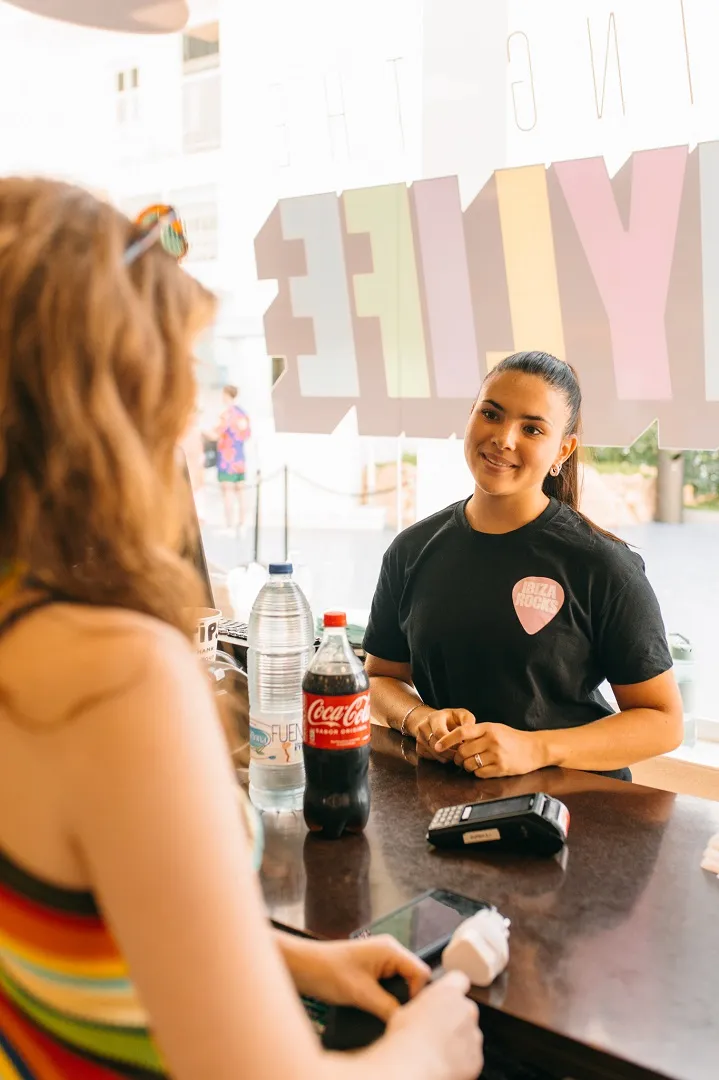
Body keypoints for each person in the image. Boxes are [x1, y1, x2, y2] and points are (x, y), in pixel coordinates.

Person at [0, 178, 483, 1080]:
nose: (190, 414)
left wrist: (298, 960)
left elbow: (93, 922)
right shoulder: (117, 676)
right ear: (110, 398)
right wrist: (426, 1054)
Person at [364, 351, 683, 782]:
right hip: (447, 803)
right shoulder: (411, 550)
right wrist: (417, 717)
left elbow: (663, 720)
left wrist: (536, 748)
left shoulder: (603, 566)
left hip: (573, 815)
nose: (504, 438)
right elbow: (382, 676)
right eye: (491, 414)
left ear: (562, 450)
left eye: (532, 428)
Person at [211, 384, 251, 533]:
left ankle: (229, 525)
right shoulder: (242, 414)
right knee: (240, 492)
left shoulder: (227, 414)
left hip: (227, 460)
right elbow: (247, 434)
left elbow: (216, 433)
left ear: (227, 395)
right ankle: (242, 523)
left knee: (227, 492)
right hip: (240, 458)